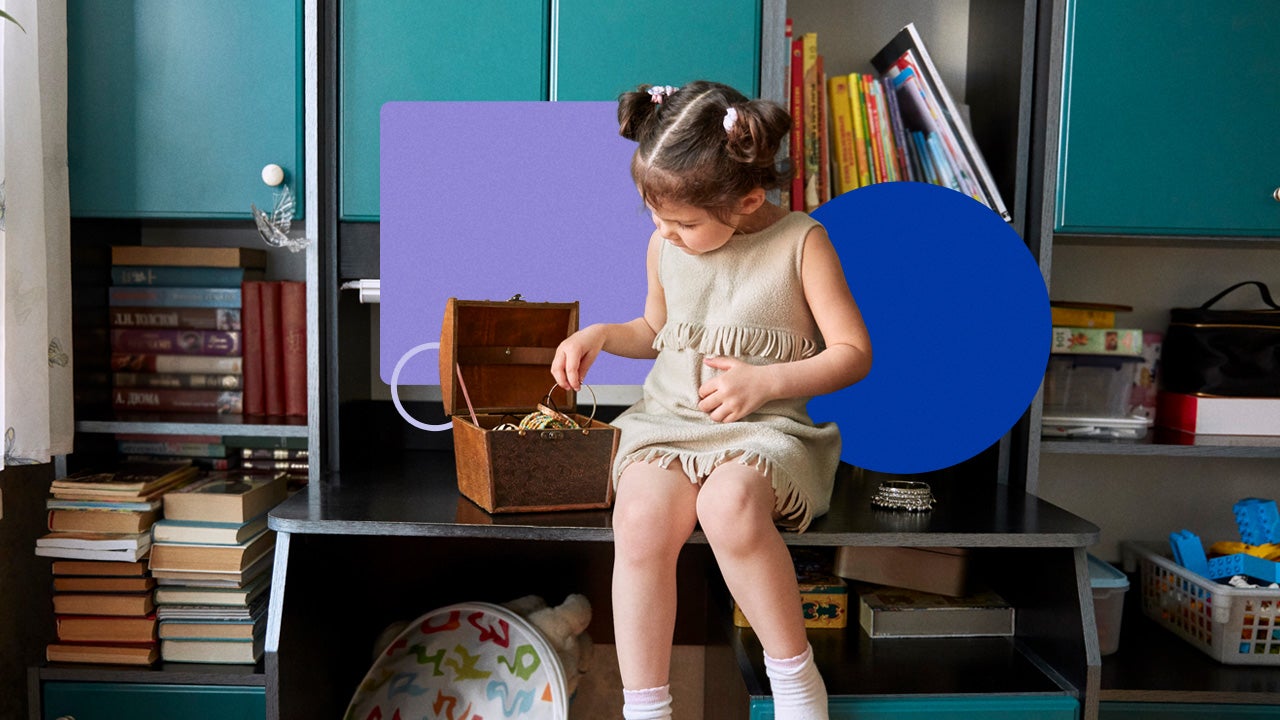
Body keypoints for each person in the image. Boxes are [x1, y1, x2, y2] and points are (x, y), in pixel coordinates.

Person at [551, 80, 872, 720]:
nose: (665, 234)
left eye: (684, 223)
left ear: (749, 199)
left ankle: (795, 677)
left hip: (763, 428)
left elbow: (853, 353)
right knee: (639, 521)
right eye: (655, 217)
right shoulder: (664, 244)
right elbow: (656, 332)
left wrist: (766, 381)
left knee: (728, 507)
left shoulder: (801, 243)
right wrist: (601, 336)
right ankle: (645, 706)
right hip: (667, 422)